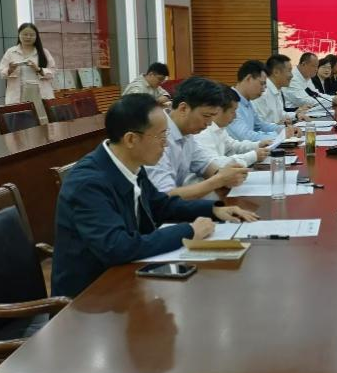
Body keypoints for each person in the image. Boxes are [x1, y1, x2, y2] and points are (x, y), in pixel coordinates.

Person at [51, 93, 257, 297]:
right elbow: (117, 247)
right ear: (131, 139)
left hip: (129, 276)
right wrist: (188, 231)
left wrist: (214, 210)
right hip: (90, 297)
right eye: (161, 136)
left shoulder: (131, 163)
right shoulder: (88, 183)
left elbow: (160, 205)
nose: (166, 144)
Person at [145, 76, 250, 200]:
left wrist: (227, 174)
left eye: (213, 116)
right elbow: (164, 196)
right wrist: (219, 179)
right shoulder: (158, 136)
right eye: (206, 116)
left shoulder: (187, 134)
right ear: (183, 108)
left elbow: (205, 165)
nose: (209, 123)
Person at [195, 86, 271, 171]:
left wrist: (258, 145)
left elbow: (233, 146)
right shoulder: (203, 131)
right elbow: (215, 164)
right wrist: (252, 156)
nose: (235, 116)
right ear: (218, 110)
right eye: (232, 112)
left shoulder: (220, 128)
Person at [0, 23, 56, 122]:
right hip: (19, 95)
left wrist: (38, 69)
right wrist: (10, 69)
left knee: (43, 122)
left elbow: (53, 72)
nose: (28, 37)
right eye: (25, 34)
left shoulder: (43, 52)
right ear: (19, 34)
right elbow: (2, 73)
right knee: (20, 123)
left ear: (36, 36)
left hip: (39, 94)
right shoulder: (11, 52)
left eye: (32, 35)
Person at [227, 59, 285, 142]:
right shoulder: (230, 101)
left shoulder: (247, 101)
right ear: (249, 78)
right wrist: (280, 135)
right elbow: (245, 136)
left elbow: (260, 126)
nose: (264, 89)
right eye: (262, 83)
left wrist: (282, 129)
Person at [254, 54, 307, 124]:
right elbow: (261, 125)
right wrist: (279, 126)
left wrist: (296, 115)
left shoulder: (277, 89)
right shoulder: (263, 92)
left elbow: (280, 114)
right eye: (289, 71)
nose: (292, 75)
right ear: (276, 72)